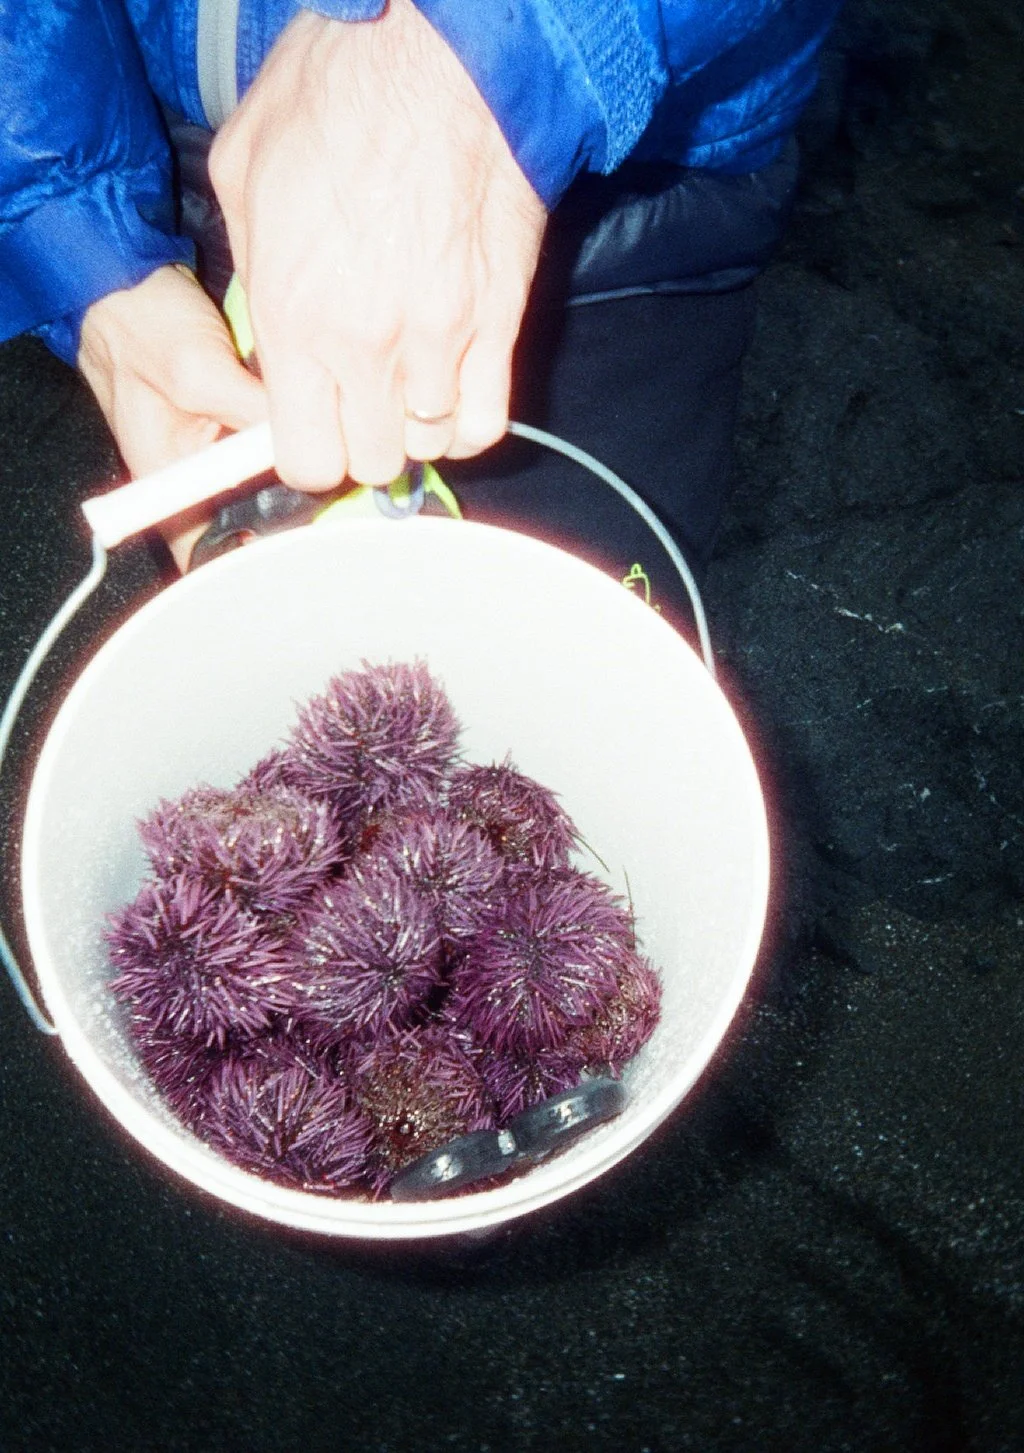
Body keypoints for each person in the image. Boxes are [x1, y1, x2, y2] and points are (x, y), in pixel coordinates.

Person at [0, 0, 841, 570]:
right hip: (172, 132)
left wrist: (470, 51)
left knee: (556, 678)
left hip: (643, 180)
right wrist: (78, 233)